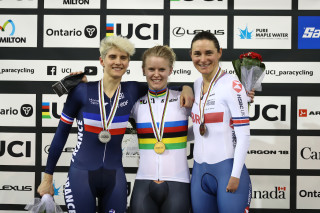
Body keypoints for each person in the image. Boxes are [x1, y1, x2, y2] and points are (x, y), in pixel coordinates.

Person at [37, 35, 193, 213]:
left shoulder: (132, 90)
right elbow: (61, 134)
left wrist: (187, 88)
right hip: (81, 175)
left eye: (123, 57)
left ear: (128, 63)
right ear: (101, 60)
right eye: (112, 57)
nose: (118, 62)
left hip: (115, 177)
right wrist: (47, 177)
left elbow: (165, 86)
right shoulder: (81, 91)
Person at [189, 31, 252, 213]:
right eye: (197, 54)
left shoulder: (232, 84)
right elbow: (201, 127)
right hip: (199, 173)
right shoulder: (196, 84)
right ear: (191, 55)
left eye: (209, 53)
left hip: (227, 172)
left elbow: (244, 135)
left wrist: (235, 175)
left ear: (219, 53)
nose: (203, 59)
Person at [129, 45, 191, 213]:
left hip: (178, 181)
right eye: (151, 69)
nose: (156, 74)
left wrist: (245, 98)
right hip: (144, 180)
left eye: (162, 69)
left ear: (170, 70)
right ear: (143, 70)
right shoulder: (135, 103)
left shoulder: (184, 99)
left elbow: (210, 120)